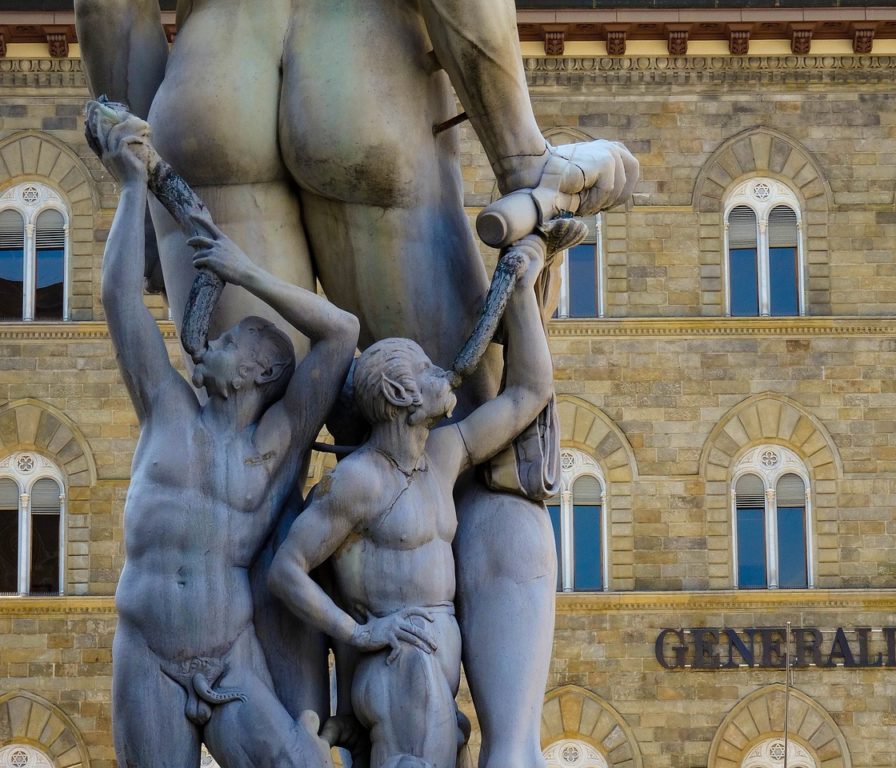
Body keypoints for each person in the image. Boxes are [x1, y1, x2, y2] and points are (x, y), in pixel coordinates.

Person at [75, 3, 639, 764]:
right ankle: (511, 749)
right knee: (478, 462)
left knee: (262, 476)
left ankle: (304, 739)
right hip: (359, 67)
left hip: (211, 78)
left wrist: (140, 170)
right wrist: (520, 160)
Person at [91, 106, 359, 768]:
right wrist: (131, 186)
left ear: (259, 371)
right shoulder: (166, 407)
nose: (210, 339)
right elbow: (120, 302)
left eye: (232, 340)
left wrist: (245, 272)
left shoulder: (278, 447)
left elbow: (343, 334)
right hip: (148, 651)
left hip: (228, 657)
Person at [268, 234, 552, 768]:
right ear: (400, 396)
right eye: (426, 370)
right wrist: (359, 632)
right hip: (401, 669)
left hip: (437, 665)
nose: (442, 373)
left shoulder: (441, 456)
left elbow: (527, 396)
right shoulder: (359, 481)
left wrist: (522, 294)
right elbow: (286, 569)